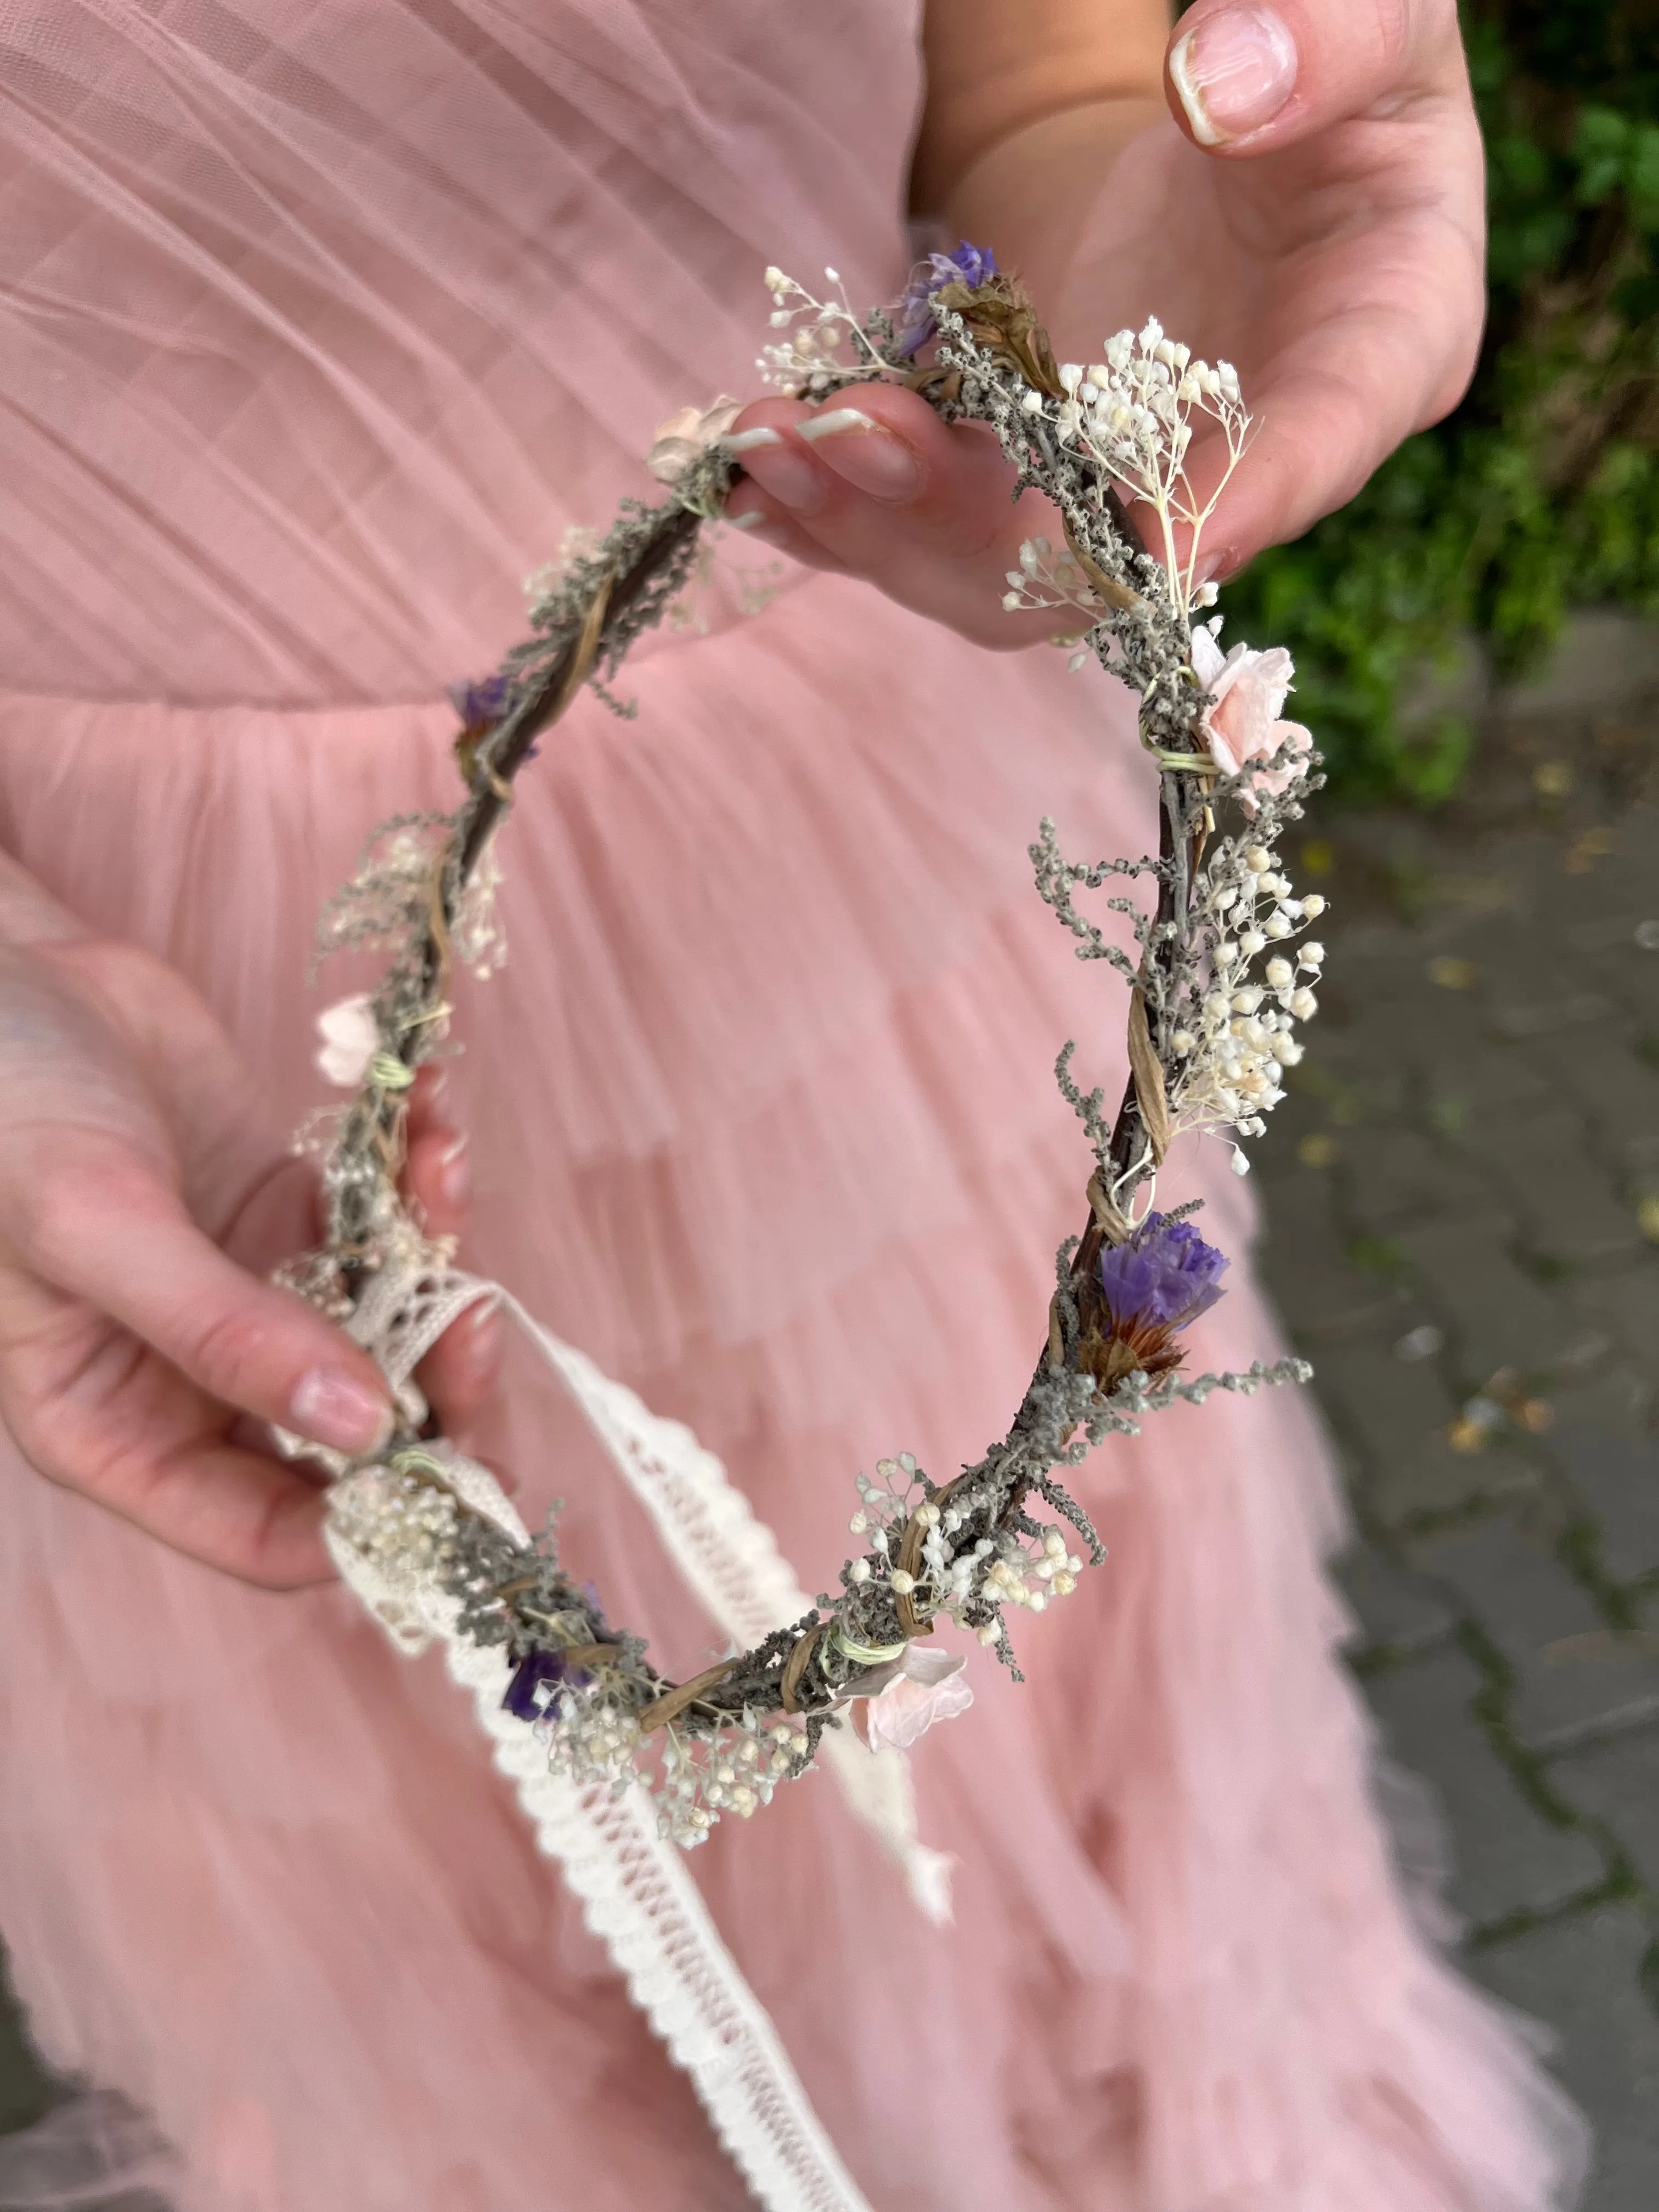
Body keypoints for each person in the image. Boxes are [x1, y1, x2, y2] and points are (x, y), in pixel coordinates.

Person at [0, 3, 1582, 2207]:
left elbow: (1042, 77)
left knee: (1029, 1844)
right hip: (105, 1002)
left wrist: (1140, 283)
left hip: (853, 894)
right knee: (404, 1970)